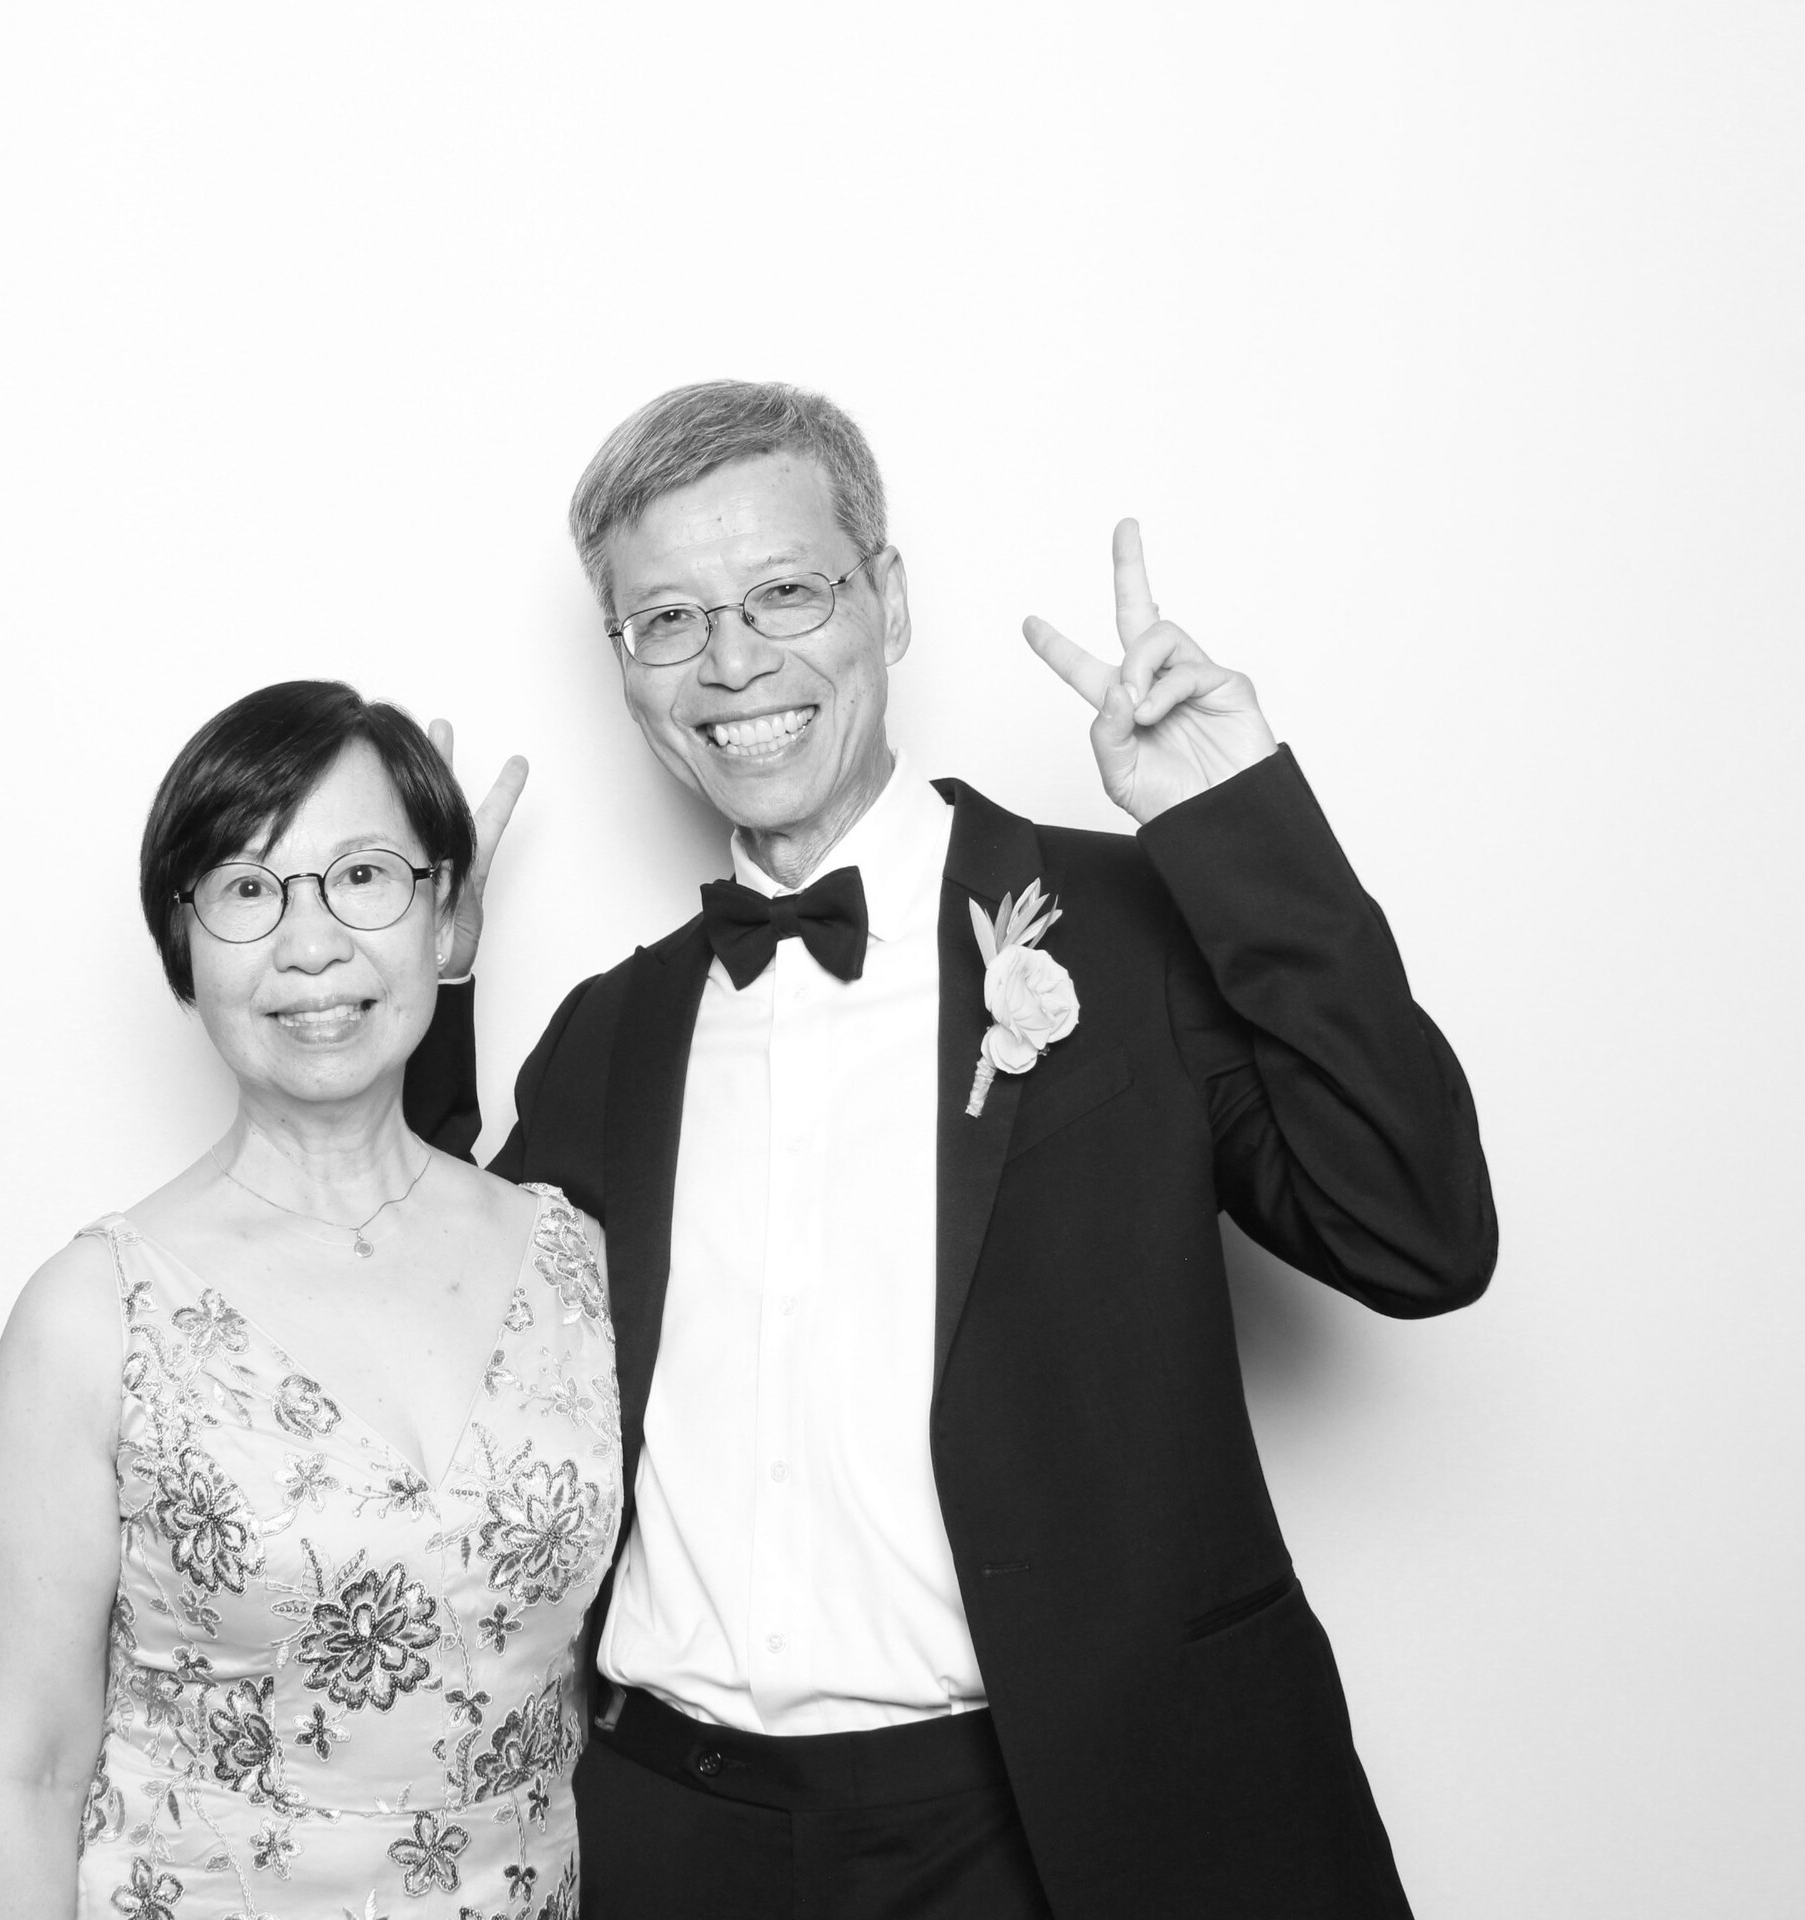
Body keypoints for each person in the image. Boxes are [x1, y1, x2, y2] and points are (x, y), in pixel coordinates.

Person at [404, 381, 1497, 1918]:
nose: (733, 661)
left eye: (786, 592)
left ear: (891, 602)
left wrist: (1239, 824)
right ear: (628, 668)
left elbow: (1419, 1235)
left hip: (1062, 1839)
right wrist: (422, 995)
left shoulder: (1131, 930)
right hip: (671, 1838)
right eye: (668, 620)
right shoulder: (611, 1033)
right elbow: (439, 1363)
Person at [0, 681, 614, 1920]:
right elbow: (24, 1775)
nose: (311, 945)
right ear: (183, 943)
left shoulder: (571, 1260)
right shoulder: (94, 1315)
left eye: (364, 877)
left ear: (445, 914)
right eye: (249, 889)